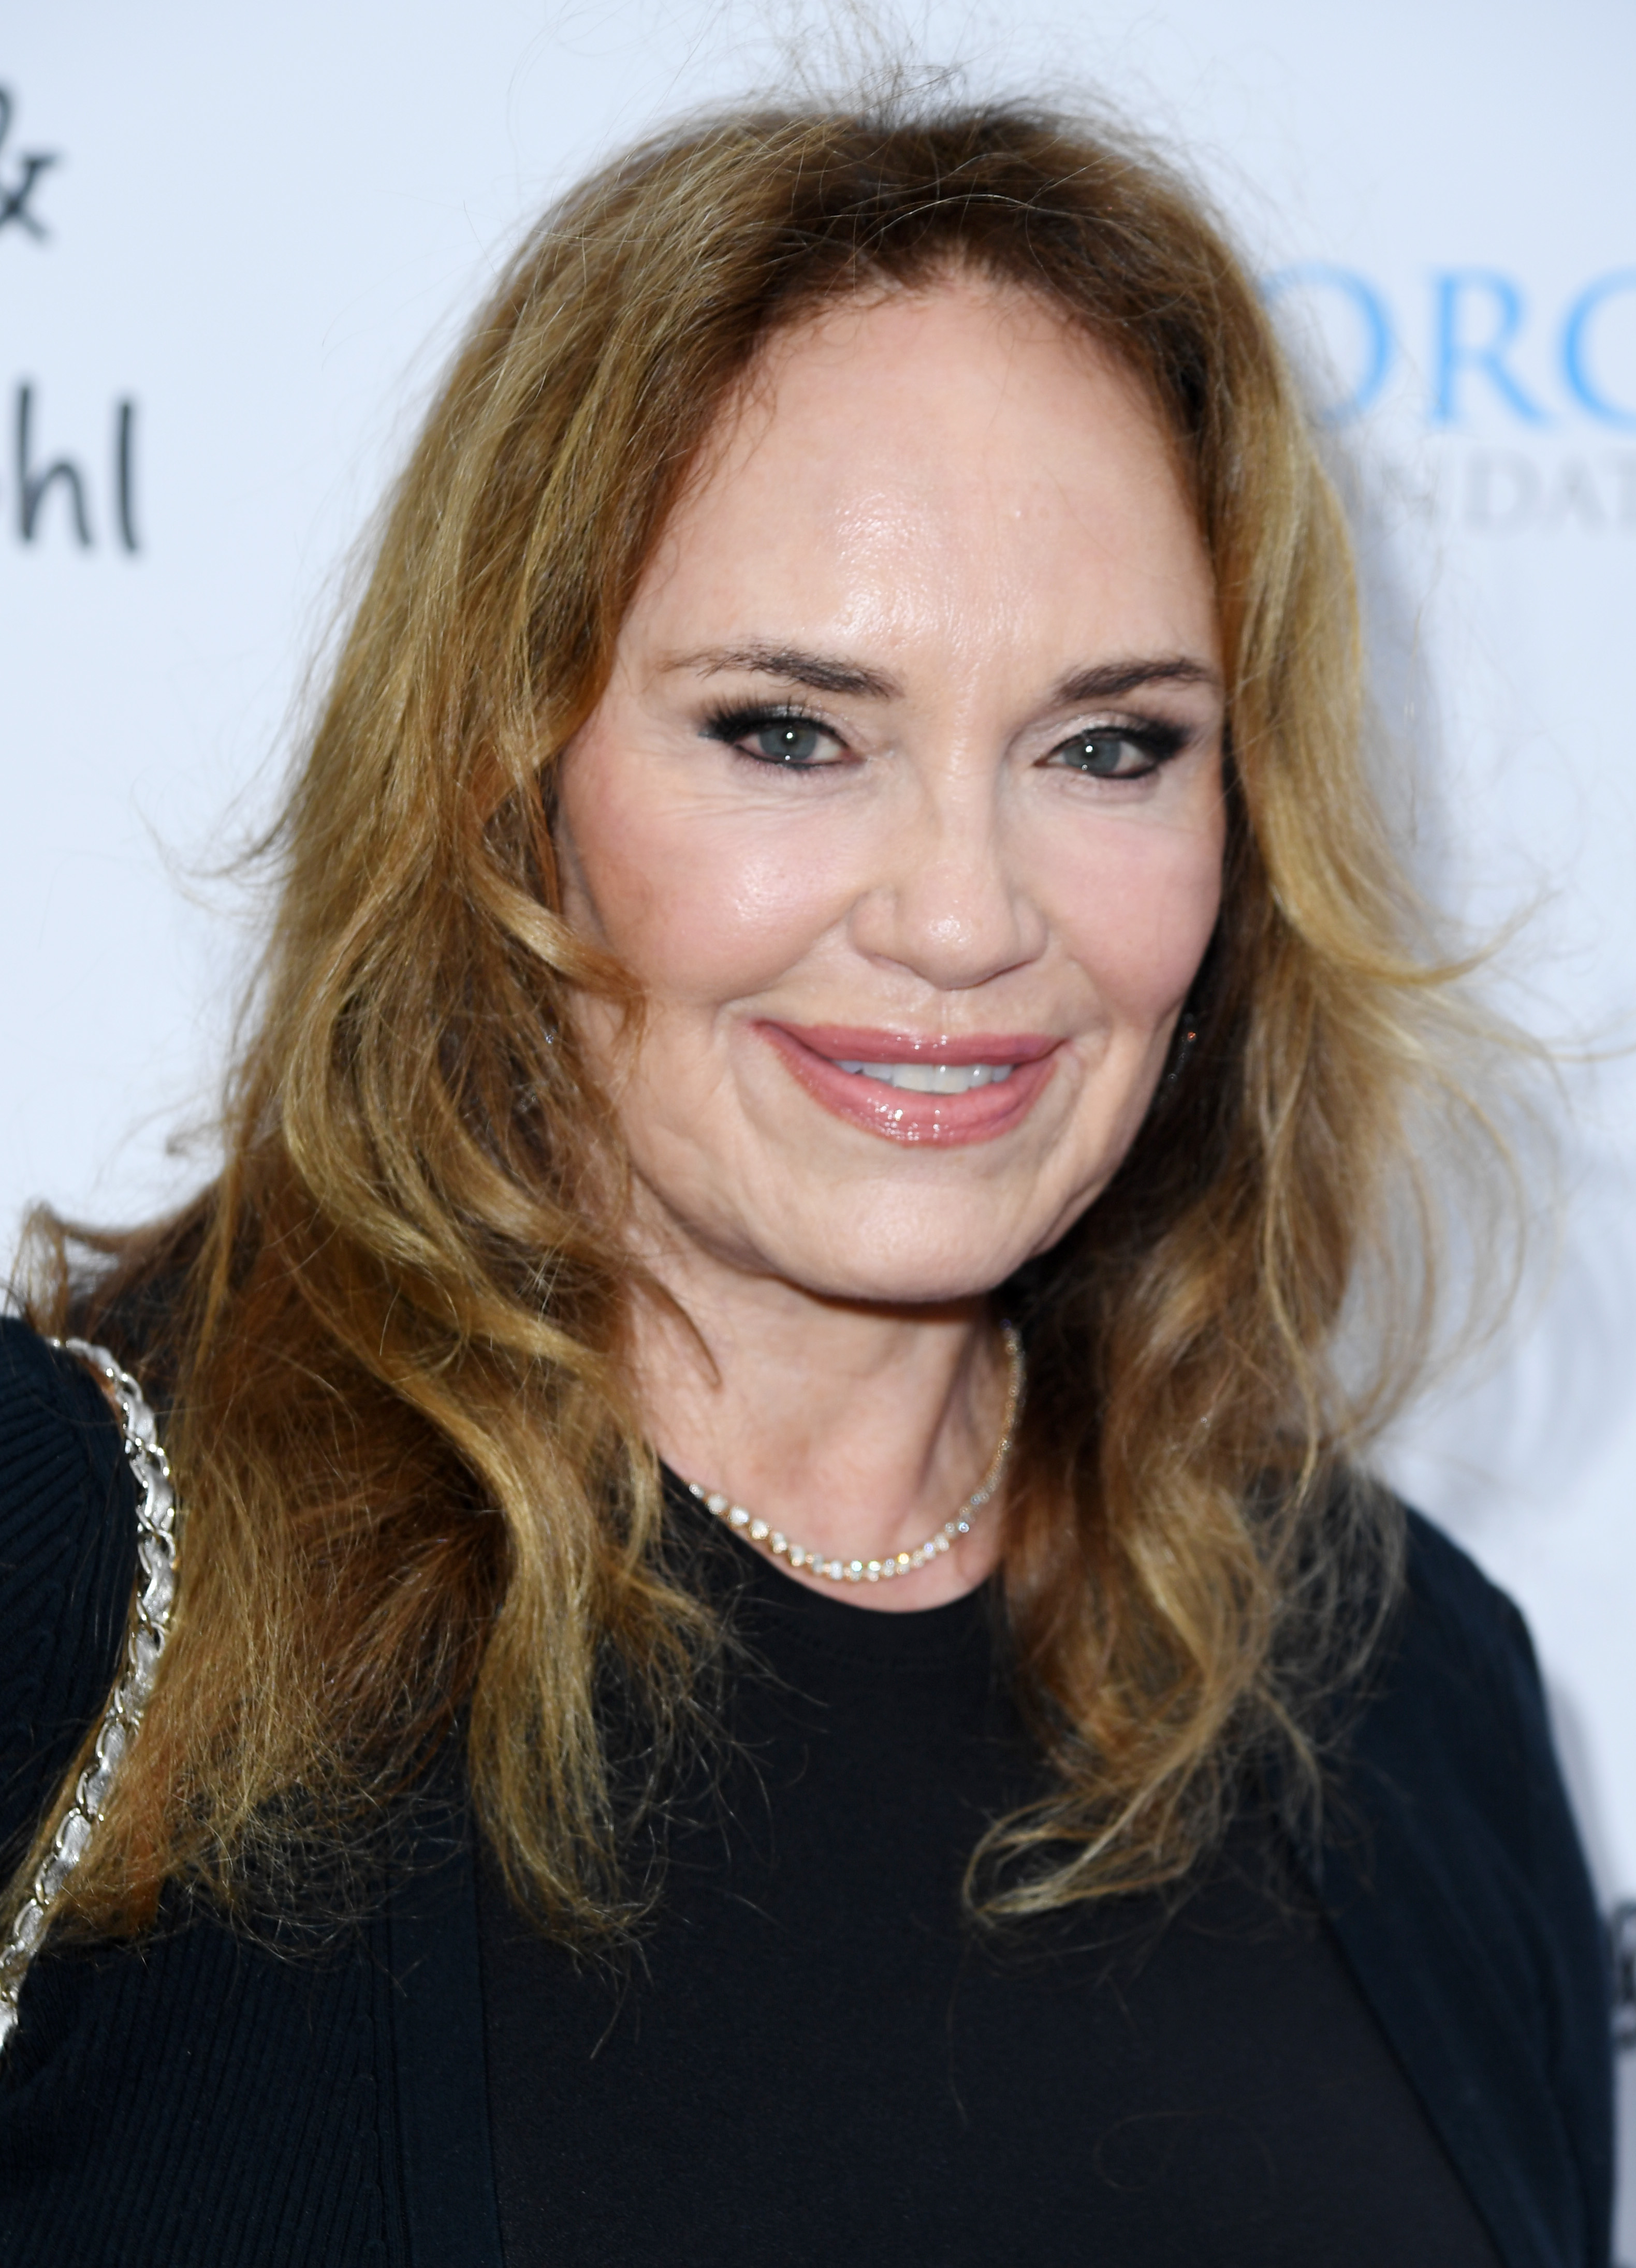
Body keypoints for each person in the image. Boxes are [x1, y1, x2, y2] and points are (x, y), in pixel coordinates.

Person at [0, 96, 1612, 2268]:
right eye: (786, 729)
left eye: (1107, 745)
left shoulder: (1399, 1680)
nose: (963, 916)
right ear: (506, 781)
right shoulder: (74, 1574)